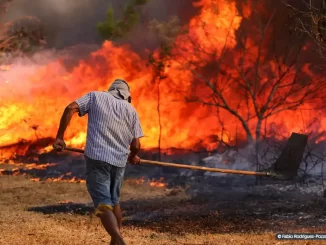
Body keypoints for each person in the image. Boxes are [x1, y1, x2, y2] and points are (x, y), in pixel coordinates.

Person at [52, 79, 144, 245]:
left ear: (111, 90)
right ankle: (115, 241)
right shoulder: (131, 110)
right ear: (127, 96)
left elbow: (70, 108)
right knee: (114, 201)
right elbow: (136, 145)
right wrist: (132, 156)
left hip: (97, 159)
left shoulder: (95, 97)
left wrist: (60, 137)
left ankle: (118, 239)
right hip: (119, 162)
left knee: (103, 203)